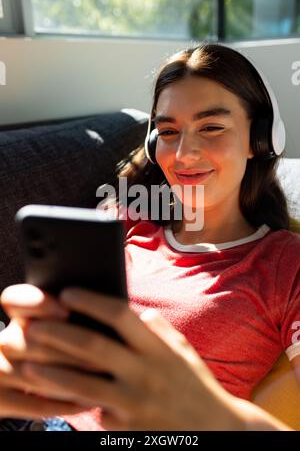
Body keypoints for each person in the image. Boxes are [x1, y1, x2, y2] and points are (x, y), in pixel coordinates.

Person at [0, 43, 299, 431]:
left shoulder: (285, 263)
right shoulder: (123, 220)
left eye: (211, 127)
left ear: (258, 140)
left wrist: (205, 412)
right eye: (169, 131)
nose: (184, 153)